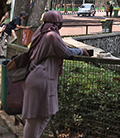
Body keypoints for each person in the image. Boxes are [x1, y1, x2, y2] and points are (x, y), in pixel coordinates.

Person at [22, 10, 89, 138]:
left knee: (41, 115)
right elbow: (66, 51)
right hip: (41, 78)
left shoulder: (40, 32)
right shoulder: (52, 36)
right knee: (36, 118)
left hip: (34, 76)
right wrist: (81, 51)